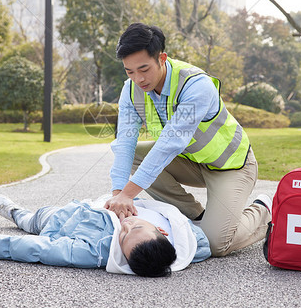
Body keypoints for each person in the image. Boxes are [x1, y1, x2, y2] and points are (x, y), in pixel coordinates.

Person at [104, 22, 272, 257]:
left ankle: (263, 211)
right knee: (135, 155)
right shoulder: (131, 90)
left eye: (144, 69)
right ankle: (197, 215)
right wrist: (117, 194)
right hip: (190, 162)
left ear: (162, 58)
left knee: (215, 245)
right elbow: (125, 143)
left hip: (230, 166)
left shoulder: (196, 85)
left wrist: (128, 195)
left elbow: (168, 144)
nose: (138, 79)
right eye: (130, 71)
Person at [0, 194, 211, 277]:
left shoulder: (95, 253)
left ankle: (15, 213)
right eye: (135, 228)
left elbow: (42, 249)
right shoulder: (187, 242)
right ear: (162, 232)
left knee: (31, 221)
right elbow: (202, 247)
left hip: (60, 222)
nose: (125, 226)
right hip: (90, 206)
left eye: (123, 238)